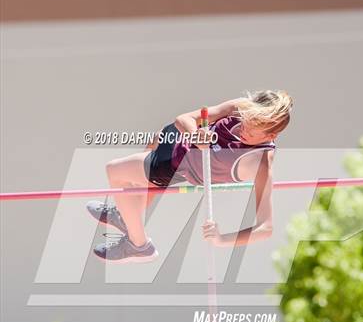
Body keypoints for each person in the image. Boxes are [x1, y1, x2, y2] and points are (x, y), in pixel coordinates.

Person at [87, 90, 293, 262]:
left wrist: (222, 240)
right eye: (246, 121)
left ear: (271, 135)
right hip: (176, 137)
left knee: (115, 171)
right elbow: (183, 119)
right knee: (141, 174)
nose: (243, 128)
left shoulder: (261, 162)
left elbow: (266, 228)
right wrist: (195, 134)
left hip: (174, 164)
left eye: (252, 130)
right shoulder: (242, 106)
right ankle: (125, 215)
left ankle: (139, 245)